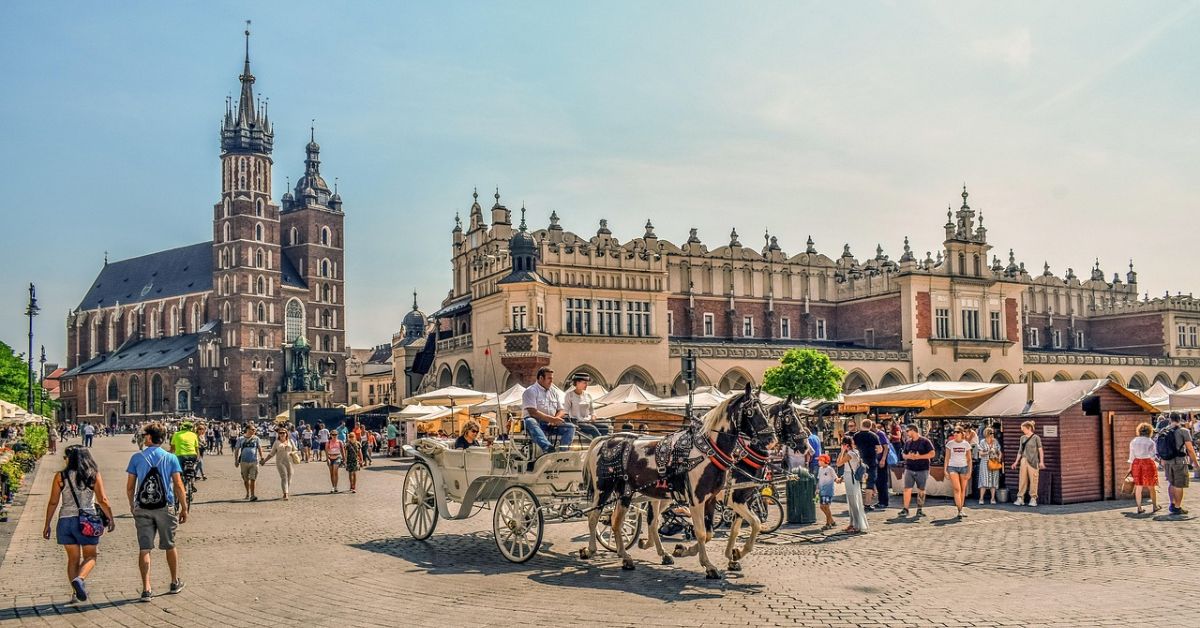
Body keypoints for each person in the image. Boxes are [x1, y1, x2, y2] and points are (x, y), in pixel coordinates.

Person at [42, 445, 116, 602]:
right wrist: (110, 517)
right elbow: (102, 500)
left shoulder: (61, 476)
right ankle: (80, 579)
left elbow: (53, 502)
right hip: (87, 520)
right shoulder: (93, 474)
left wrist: (47, 523)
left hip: (65, 521)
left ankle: (75, 594)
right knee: (91, 556)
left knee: (73, 559)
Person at [126, 422, 187, 601]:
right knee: (170, 545)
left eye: (145, 435)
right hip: (164, 506)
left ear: (150, 437)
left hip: (143, 507)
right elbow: (178, 484)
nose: (144, 438)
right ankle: (174, 582)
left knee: (145, 548)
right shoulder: (170, 458)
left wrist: (132, 504)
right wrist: (184, 507)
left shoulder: (136, 458)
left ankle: (146, 588)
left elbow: (130, 487)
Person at [521, 367, 575, 455]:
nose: (551, 381)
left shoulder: (554, 392)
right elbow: (533, 412)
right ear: (541, 378)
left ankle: (563, 453)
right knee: (530, 421)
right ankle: (548, 448)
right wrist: (551, 419)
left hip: (550, 424)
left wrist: (556, 419)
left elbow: (562, 410)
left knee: (570, 427)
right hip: (537, 424)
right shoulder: (530, 391)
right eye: (549, 378)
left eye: (552, 379)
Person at [1159, 414, 1199, 515]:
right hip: (1179, 461)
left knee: (1171, 483)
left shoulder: (1163, 430)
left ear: (1170, 419)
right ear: (1179, 419)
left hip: (1167, 461)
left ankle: (1172, 504)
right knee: (1179, 484)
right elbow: (1189, 449)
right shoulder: (1184, 431)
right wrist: (1196, 463)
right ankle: (1177, 507)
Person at [899, 424, 934, 518]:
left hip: (922, 468)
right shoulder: (908, 442)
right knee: (907, 489)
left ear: (913, 430)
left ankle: (919, 509)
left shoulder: (925, 441)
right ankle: (905, 509)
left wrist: (919, 457)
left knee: (921, 490)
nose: (906, 433)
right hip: (909, 468)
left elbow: (932, 453)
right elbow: (903, 454)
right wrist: (908, 456)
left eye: (907, 431)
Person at [836, 436, 868, 534]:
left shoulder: (850, 454)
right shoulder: (855, 452)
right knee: (851, 502)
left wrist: (842, 451)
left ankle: (857, 525)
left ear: (846, 445)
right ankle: (852, 523)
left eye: (843, 444)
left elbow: (838, 463)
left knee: (854, 503)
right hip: (850, 477)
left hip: (851, 479)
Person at [850, 418, 882, 511]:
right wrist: (874, 451)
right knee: (870, 483)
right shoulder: (874, 436)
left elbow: (853, 447)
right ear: (870, 426)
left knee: (858, 482)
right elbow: (880, 449)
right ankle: (867, 504)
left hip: (859, 462)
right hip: (871, 461)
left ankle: (858, 503)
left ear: (861, 425)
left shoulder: (856, 435)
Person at [1127, 422, 1159, 514]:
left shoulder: (1133, 441)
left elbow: (1131, 456)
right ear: (1149, 431)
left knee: (1138, 486)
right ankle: (1154, 506)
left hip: (1136, 463)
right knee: (1151, 486)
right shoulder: (1150, 442)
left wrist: (1130, 468)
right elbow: (1153, 456)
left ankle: (1139, 507)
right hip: (1148, 463)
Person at [564, 372, 608, 439]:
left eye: (587, 383)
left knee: (605, 427)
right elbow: (566, 412)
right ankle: (599, 443)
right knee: (593, 430)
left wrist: (593, 417)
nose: (586, 385)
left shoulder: (588, 395)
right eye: (584, 383)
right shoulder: (569, 395)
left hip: (589, 421)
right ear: (577, 383)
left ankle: (604, 443)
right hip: (578, 423)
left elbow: (592, 411)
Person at [1011, 420, 1044, 507]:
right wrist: (1016, 462)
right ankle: (1020, 498)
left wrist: (1041, 461)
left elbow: (1040, 450)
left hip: (1033, 461)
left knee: (1034, 480)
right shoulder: (1022, 438)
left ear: (1029, 428)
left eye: (1024, 429)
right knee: (1022, 480)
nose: (1022, 430)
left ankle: (1033, 498)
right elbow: (1020, 451)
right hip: (1024, 460)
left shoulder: (1036, 438)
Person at [260, 426, 297, 500]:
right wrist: (264, 461)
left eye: (283, 432)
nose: (282, 434)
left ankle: (286, 490)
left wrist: (292, 452)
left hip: (289, 461)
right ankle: (286, 493)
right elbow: (272, 453)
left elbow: (295, 449)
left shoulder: (290, 441)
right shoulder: (276, 442)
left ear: (286, 433)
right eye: (280, 433)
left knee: (289, 478)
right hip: (280, 462)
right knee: (284, 477)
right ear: (278, 434)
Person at [944, 427, 972, 519]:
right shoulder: (950, 444)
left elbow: (969, 459)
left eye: (957, 432)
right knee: (957, 489)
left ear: (961, 433)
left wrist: (969, 471)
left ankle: (961, 509)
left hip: (963, 467)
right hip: (953, 467)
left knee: (963, 489)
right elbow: (947, 458)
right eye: (954, 432)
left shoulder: (966, 444)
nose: (955, 434)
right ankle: (959, 509)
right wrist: (945, 470)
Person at [233, 425, 264, 501]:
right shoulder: (241, 439)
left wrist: (262, 457)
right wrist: (236, 460)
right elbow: (236, 450)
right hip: (243, 462)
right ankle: (248, 493)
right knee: (246, 479)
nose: (254, 431)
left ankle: (252, 495)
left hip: (254, 461)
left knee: (253, 479)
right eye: (252, 429)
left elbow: (260, 448)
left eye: (254, 430)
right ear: (247, 429)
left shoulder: (256, 439)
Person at [169, 421, 201, 488]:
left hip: (180, 456)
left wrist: (169, 454)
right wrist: (198, 457)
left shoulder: (176, 434)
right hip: (192, 455)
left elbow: (172, 448)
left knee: (180, 472)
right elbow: (197, 448)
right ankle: (192, 481)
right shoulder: (194, 435)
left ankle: (181, 484)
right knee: (193, 467)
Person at [975, 428, 1002, 504]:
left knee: (994, 481)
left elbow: (999, 452)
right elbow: (980, 453)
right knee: (984, 481)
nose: (992, 435)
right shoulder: (982, 442)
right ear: (986, 434)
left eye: (993, 433)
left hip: (994, 462)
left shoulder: (995, 442)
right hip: (985, 463)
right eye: (991, 433)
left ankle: (993, 499)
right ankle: (981, 499)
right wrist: (989, 451)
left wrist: (999, 457)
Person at [816, 454, 836, 530]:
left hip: (828, 491)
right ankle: (832, 520)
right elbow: (819, 479)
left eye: (820, 460)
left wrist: (838, 480)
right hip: (822, 491)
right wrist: (817, 488)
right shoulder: (820, 469)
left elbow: (835, 477)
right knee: (822, 507)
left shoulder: (830, 469)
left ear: (825, 461)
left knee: (826, 507)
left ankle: (828, 523)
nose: (818, 462)